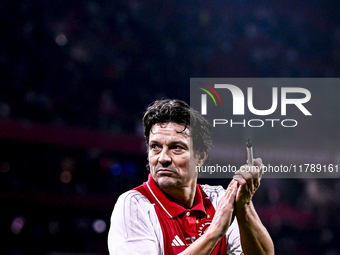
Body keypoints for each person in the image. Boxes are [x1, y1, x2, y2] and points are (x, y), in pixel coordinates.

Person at [108, 99, 274, 255]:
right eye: (155, 147)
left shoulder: (217, 199)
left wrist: (244, 204)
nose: (163, 158)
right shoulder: (134, 205)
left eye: (176, 148)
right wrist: (214, 233)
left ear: (200, 157)